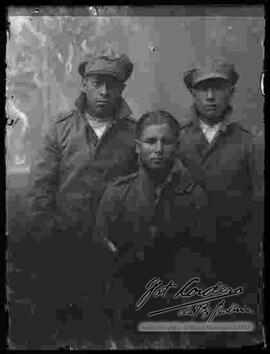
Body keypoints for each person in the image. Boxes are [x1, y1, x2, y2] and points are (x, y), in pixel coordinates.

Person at [26, 49, 137, 348]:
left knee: (110, 323)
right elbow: (40, 189)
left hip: (115, 245)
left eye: (111, 84)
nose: (103, 91)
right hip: (65, 243)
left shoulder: (135, 133)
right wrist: (46, 237)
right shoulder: (61, 129)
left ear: (122, 89)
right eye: (97, 82)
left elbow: (142, 189)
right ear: (84, 85)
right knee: (64, 325)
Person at [94, 110, 211, 348]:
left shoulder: (194, 196)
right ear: (137, 147)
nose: (158, 149)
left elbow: (201, 263)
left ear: (176, 147)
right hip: (128, 313)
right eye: (150, 141)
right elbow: (104, 259)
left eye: (166, 142)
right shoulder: (117, 195)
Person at [177, 57, 264, 347]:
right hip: (187, 261)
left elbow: (258, 202)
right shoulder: (176, 140)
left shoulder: (248, 143)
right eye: (203, 89)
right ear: (193, 94)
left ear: (231, 93)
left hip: (235, 260)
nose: (211, 97)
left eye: (218, 88)